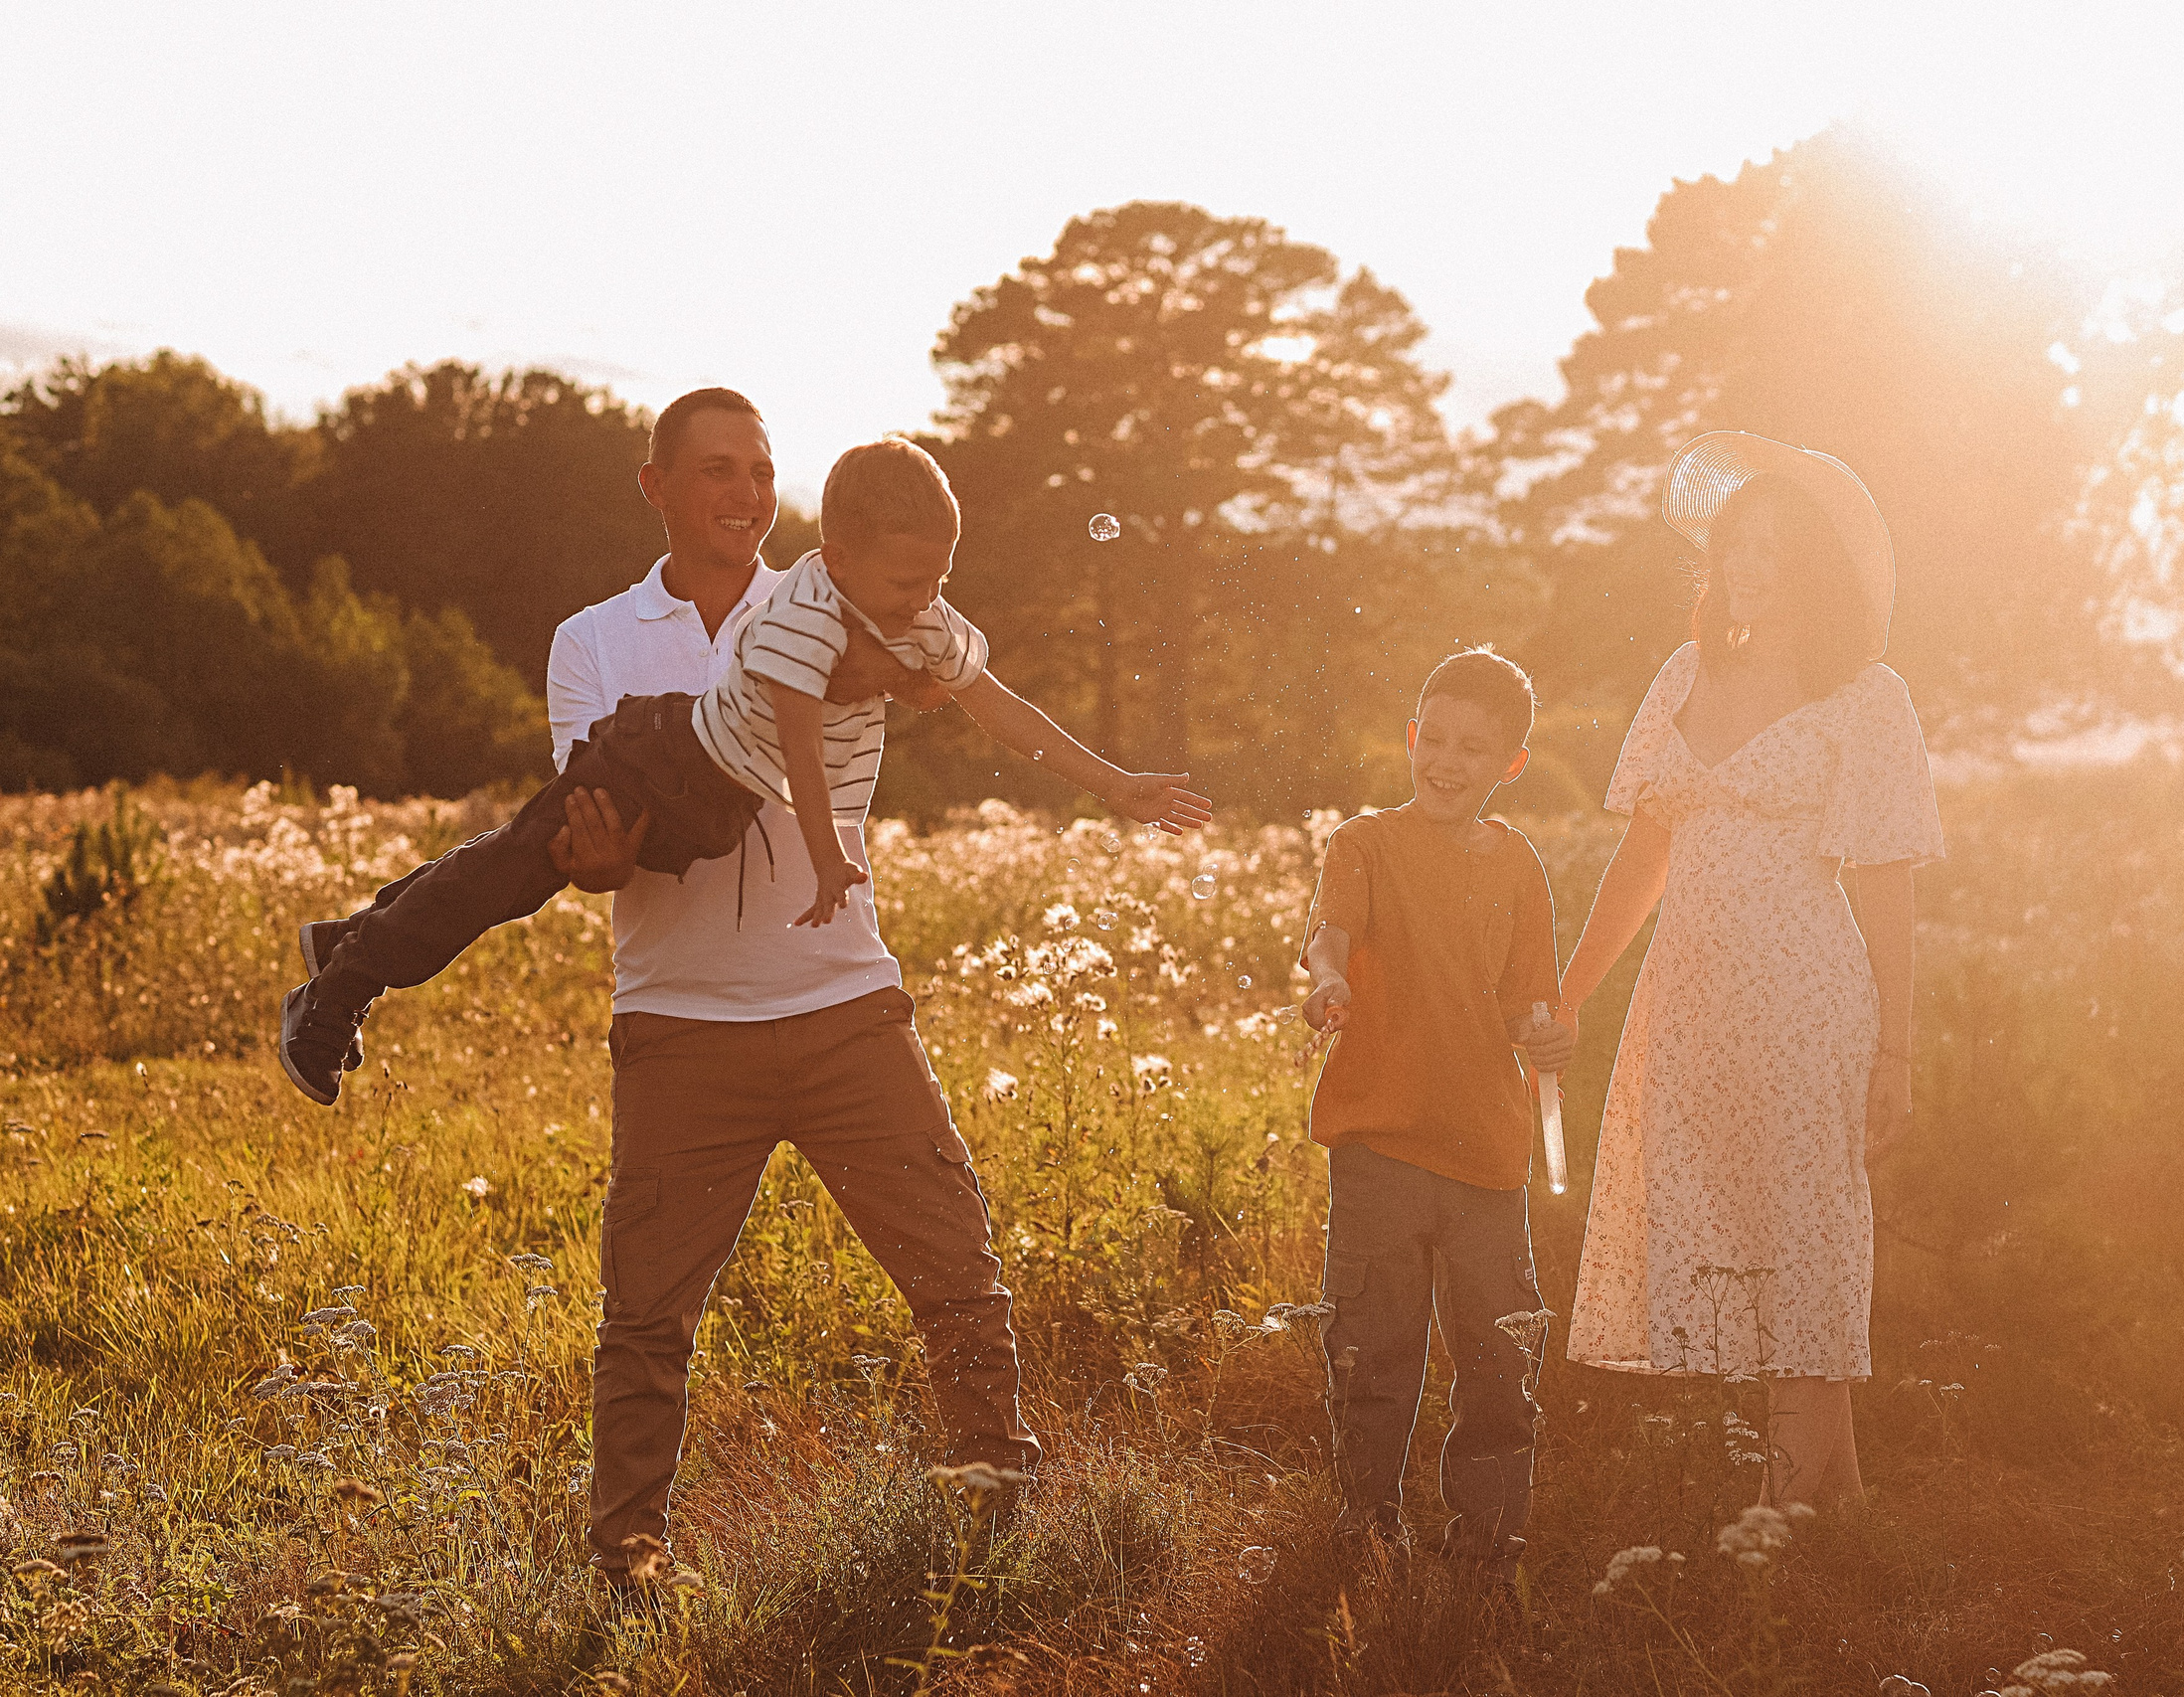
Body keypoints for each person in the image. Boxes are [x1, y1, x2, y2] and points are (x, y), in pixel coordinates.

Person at [287, 390, 1206, 1579]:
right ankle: (628, 1563)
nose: (744, 492)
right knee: (642, 1307)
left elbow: (976, 695)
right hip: (681, 1018)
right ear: (655, 484)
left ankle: (994, 1517)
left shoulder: (873, 590)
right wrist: (600, 862)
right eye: (718, 469)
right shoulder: (598, 638)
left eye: (762, 469)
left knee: (959, 1273)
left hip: (842, 1004)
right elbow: (596, 845)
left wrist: (1109, 780)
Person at [277, 429, 1209, 1104]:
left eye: (937, 580)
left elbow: (995, 700)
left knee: (513, 851)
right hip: (663, 764)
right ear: (836, 557)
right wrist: (827, 851)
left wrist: (1116, 783)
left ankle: (351, 932)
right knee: (514, 874)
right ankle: (341, 989)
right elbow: (799, 741)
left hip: (715, 801)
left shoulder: (913, 600)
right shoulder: (804, 611)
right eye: (905, 584)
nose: (924, 600)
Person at [1553, 432, 1944, 1507]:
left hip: (1805, 997)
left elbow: (1885, 883)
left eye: (1775, 547)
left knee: (1805, 1224)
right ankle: (1838, 1499)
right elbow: (1645, 855)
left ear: (1815, 566)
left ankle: (1786, 1506)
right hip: (1688, 996)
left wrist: (1896, 1046)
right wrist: (1571, 989)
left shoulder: (1865, 696)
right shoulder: (1687, 674)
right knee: (1733, 1225)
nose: (1750, 566)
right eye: (1737, 546)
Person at [1297, 647, 1576, 1571]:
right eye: (1436, 739)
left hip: (1489, 1157)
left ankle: (1489, 1540)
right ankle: (1367, 1524)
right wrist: (1330, 975)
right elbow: (1331, 930)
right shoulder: (1366, 843)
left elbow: (1529, 1001)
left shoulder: (1519, 867)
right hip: (1379, 1144)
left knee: (1498, 1358)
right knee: (1373, 1350)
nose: (1448, 762)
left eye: (1475, 747)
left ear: (1511, 765)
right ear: (1412, 738)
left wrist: (1547, 1036)